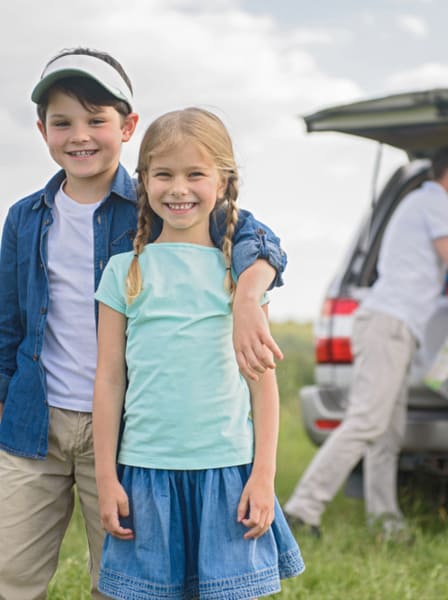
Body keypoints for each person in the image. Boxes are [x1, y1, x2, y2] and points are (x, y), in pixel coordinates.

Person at [0, 48, 288, 600]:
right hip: (35, 421)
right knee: (10, 573)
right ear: (42, 131)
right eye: (62, 122)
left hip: (130, 434)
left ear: (127, 126)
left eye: (96, 119)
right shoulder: (24, 217)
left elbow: (256, 236)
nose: (79, 135)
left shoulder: (156, 204)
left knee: (120, 581)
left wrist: (250, 295)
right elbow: (9, 326)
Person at [93, 107, 304, 599]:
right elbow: (108, 380)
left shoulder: (240, 275)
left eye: (196, 174)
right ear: (142, 180)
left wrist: (264, 475)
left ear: (224, 181)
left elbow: (262, 381)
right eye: (163, 174)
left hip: (228, 473)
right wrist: (107, 477)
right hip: (146, 472)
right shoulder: (124, 271)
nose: (179, 188)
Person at [284, 144, 448, 540]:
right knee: (366, 422)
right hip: (387, 326)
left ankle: (386, 521)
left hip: (392, 327)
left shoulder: (424, 204)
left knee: (387, 434)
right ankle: (301, 511)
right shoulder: (436, 202)